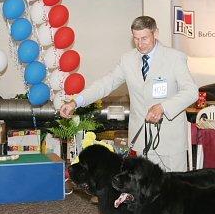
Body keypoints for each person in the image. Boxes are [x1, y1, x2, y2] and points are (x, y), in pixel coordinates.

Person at [59, 16, 198, 172]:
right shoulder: (127, 60)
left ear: (155, 33)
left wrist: (163, 107)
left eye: (144, 38)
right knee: (144, 192)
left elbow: (191, 92)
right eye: (136, 38)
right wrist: (75, 102)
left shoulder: (174, 57)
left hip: (170, 140)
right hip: (142, 141)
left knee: (173, 191)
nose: (140, 44)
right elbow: (105, 84)